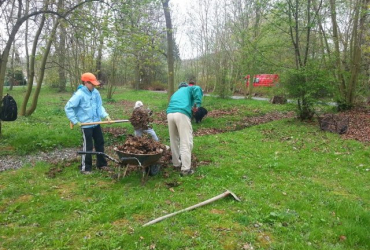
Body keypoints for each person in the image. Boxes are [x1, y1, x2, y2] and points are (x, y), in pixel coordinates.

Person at [65, 72, 111, 175]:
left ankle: (102, 164)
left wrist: (105, 115)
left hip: (96, 123)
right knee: (88, 146)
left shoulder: (96, 93)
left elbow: (99, 107)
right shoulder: (79, 94)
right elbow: (68, 108)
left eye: (95, 84)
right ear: (86, 82)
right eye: (92, 84)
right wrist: (75, 120)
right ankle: (86, 168)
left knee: (100, 142)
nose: (94, 86)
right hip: (86, 125)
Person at [166, 82, 203, 176]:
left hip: (170, 114)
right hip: (181, 114)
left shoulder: (175, 93)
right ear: (186, 86)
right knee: (185, 141)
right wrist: (197, 104)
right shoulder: (188, 89)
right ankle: (186, 169)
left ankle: (176, 163)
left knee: (173, 140)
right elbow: (198, 88)